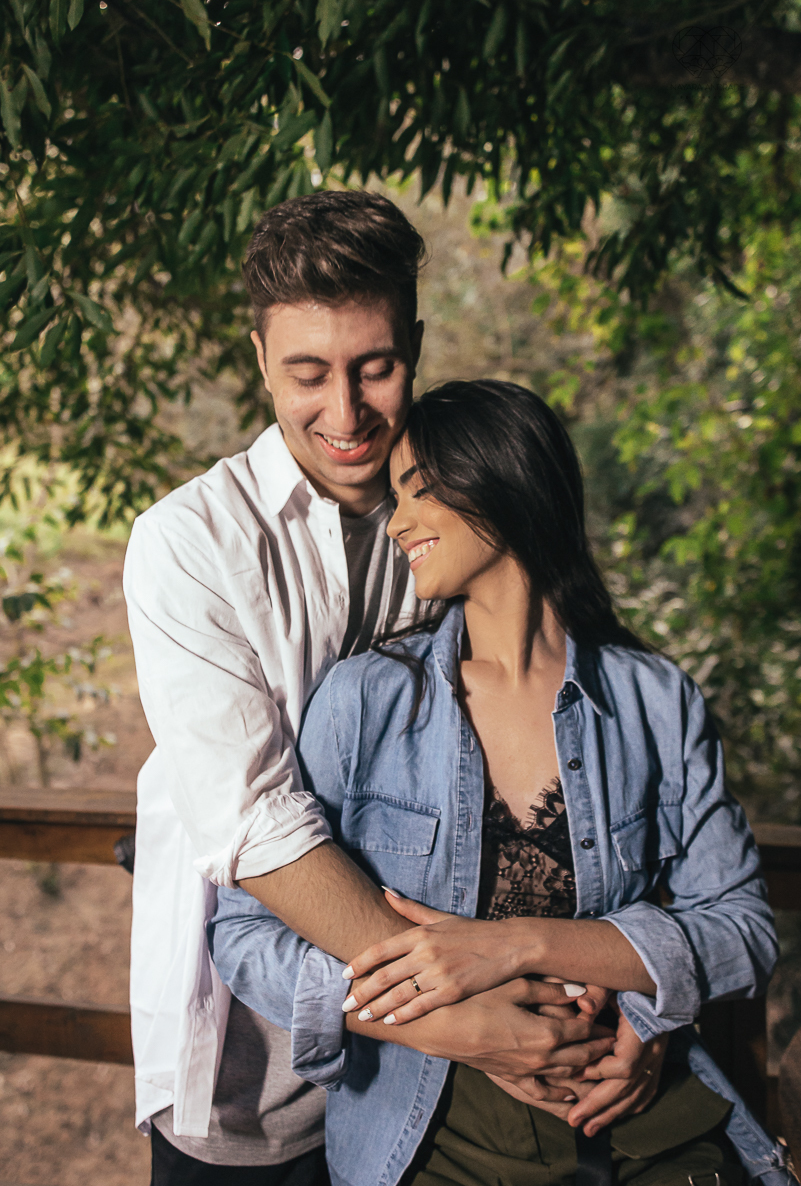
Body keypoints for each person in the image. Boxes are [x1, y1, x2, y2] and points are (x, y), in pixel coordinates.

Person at [123, 198, 624, 1186]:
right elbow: (256, 822)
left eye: (376, 367)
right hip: (253, 1060)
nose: (345, 415)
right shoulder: (188, 544)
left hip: (437, 1096)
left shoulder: (459, 521)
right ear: (261, 356)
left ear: (417, 344)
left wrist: (612, 990)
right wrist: (460, 1012)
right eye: (307, 373)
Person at [208, 380, 792, 1186]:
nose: (398, 519)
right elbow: (243, 935)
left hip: (650, 1128)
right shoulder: (364, 701)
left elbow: (743, 930)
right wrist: (432, 1017)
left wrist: (523, 946)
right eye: (394, 495)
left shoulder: (655, 701)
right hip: (436, 1138)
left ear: (502, 480)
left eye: (417, 488)